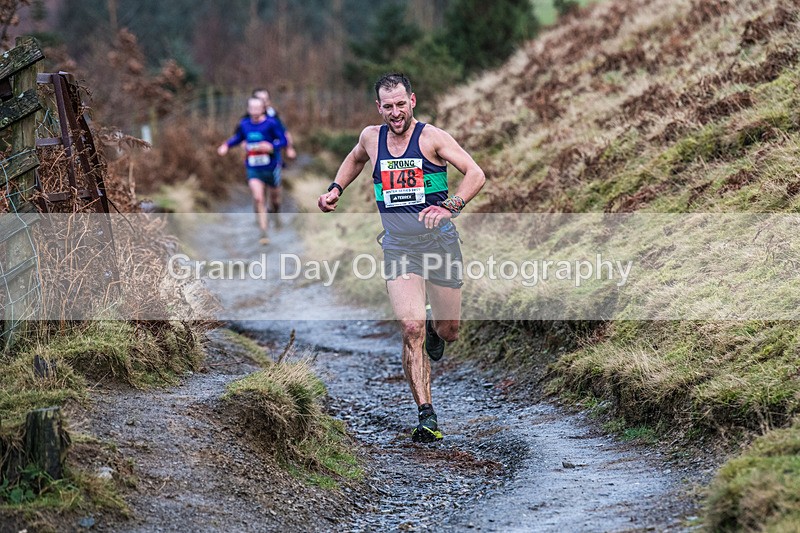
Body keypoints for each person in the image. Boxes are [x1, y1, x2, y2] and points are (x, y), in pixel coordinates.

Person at [317, 73, 486, 443]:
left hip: (439, 243)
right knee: (409, 328)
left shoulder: (432, 138)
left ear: (412, 100)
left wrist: (451, 205)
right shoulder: (371, 138)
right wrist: (335, 189)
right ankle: (426, 414)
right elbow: (354, 158)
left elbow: (476, 173)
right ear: (379, 107)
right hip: (398, 246)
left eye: (400, 104)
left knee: (448, 331)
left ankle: (433, 329)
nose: (395, 113)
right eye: (387, 106)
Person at [218, 96, 287, 245]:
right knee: (258, 198)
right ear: (248, 110)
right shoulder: (244, 124)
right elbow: (238, 138)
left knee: (274, 200)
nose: (255, 111)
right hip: (253, 167)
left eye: (258, 108)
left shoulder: (271, 123)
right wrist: (226, 146)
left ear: (263, 109)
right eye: (252, 108)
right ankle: (263, 232)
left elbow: (283, 141)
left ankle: (276, 215)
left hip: (271, 168)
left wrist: (271, 146)